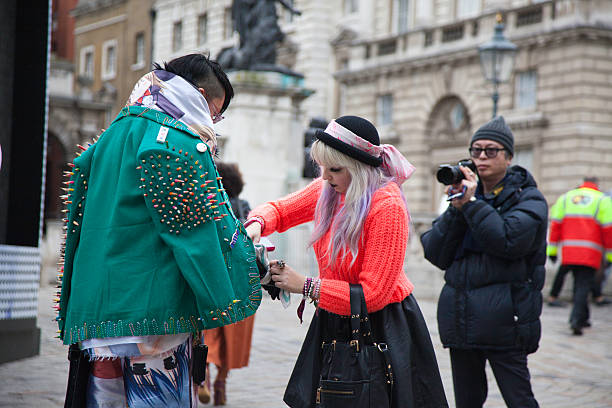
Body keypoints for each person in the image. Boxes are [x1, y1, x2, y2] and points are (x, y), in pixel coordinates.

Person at [56, 54, 261, 407]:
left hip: (98, 315)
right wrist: (245, 270)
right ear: (199, 94)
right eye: (216, 111)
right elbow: (194, 235)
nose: (214, 121)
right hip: (153, 318)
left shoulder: (114, 132)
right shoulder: (175, 142)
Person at [245, 115, 448, 408]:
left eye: (334, 169)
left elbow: (373, 295)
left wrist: (306, 285)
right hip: (337, 315)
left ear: (359, 169)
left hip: (381, 326)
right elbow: (281, 210)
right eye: (322, 168)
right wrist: (257, 223)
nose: (325, 177)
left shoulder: (386, 205)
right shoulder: (330, 189)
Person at [421, 116, 546, 408]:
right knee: (466, 402)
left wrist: (473, 205)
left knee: (520, 400)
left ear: (509, 157)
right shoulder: (464, 198)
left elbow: (508, 241)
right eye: (476, 150)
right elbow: (435, 252)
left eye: (491, 151)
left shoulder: (528, 198)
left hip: (505, 321)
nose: (481, 157)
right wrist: (456, 209)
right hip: (461, 318)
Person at [198, 162, 256, 406]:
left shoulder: (211, 204)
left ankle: (205, 378)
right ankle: (222, 382)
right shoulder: (244, 207)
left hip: (213, 277)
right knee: (233, 334)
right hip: (240, 280)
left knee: (209, 331)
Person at [547, 177, 612, 335]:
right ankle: (576, 320)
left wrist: (552, 251)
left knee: (579, 285)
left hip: (569, 251)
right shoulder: (602, 200)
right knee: (583, 285)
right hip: (590, 253)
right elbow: (608, 230)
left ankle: (583, 318)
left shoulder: (565, 198)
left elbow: (555, 226)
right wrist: (610, 256)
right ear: (596, 185)